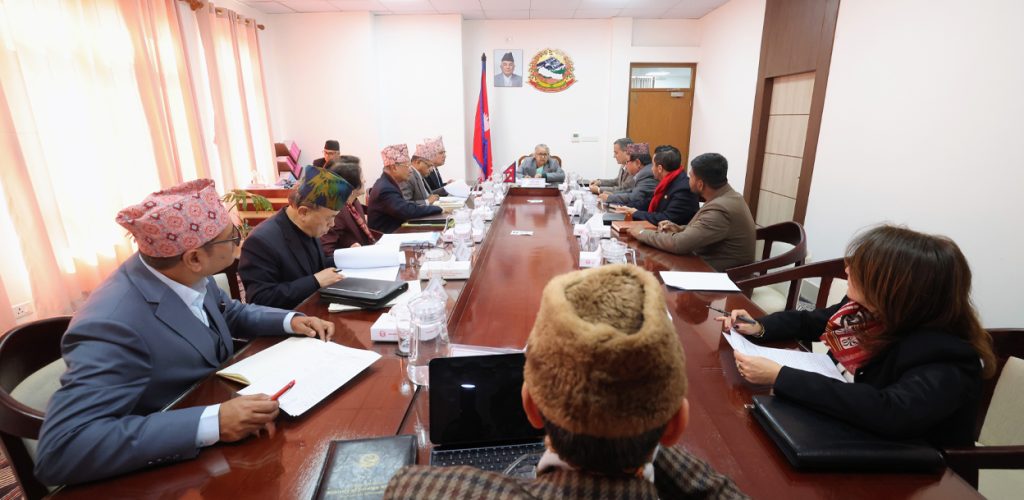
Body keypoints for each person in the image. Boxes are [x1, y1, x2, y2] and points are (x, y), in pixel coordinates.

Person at [34, 179, 335, 486]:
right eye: (232, 237)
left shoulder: (176, 269)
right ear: (194, 258)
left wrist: (290, 321)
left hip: (219, 403)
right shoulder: (112, 325)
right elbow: (62, 450)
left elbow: (228, 310)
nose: (240, 242)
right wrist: (212, 424)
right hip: (167, 473)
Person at [385, 265, 746, 499]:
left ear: (531, 407)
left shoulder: (413, 491)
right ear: (676, 425)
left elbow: (406, 486)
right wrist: (632, 415)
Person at [718, 225, 996, 448]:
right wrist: (758, 327)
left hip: (912, 472)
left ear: (896, 289)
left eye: (861, 269)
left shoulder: (945, 355)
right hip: (841, 429)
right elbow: (810, 321)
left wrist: (781, 376)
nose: (847, 270)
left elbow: (890, 411)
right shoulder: (865, 312)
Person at [239, 165, 351, 309]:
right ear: (303, 212)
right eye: (329, 218)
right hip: (289, 318)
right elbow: (261, 299)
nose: (332, 224)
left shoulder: (308, 225)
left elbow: (314, 265)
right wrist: (315, 281)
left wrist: (347, 257)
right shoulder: (260, 242)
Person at [629, 152, 755, 272]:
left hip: (719, 277)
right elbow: (706, 229)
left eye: (691, 176)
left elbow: (679, 244)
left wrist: (641, 232)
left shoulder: (720, 209)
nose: (688, 179)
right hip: (704, 267)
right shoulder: (729, 196)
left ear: (700, 184)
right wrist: (678, 228)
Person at [368, 144, 445, 233]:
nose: (410, 170)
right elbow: (406, 211)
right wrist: (437, 208)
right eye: (407, 166)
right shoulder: (385, 189)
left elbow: (406, 206)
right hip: (388, 236)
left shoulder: (387, 183)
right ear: (394, 167)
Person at [613, 145, 698, 225]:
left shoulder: (683, 189)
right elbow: (649, 201)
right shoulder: (669, 180)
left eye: (653, 165)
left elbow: (667, 218)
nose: (651, 168)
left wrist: (635, 213)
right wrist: (627, 207)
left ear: (660, 168)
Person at [321, 157, 378, 254]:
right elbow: (327, 252)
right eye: (361, 177)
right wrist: (348, 252)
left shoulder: (353, 201)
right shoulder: (335, 212)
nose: (364, 180)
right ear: (350, 185)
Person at [600, 142, 655, 209]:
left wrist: (610, 198)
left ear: (638, 163)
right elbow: (631, 191)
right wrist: (612, 195)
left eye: (627, 162)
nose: (625, 166)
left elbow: (634, 197)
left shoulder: (647, 174)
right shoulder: (645, 172)